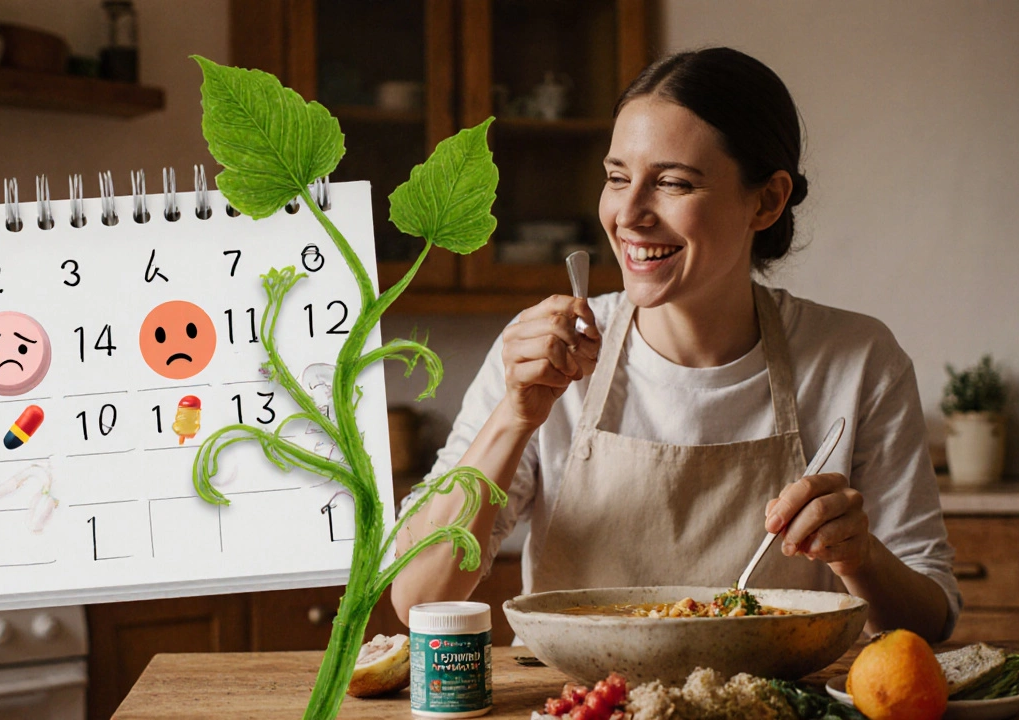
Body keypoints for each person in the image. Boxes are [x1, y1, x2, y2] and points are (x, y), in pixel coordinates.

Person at [390, 47, 960, 642]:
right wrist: (514, 417)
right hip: (581, 693)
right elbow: (417, 597)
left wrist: (859, 557)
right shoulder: (541, 358)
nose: (628, 214)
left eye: (672, 183)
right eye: (617, 178)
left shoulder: (859, 361)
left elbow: (931, 619)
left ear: (767, 200)